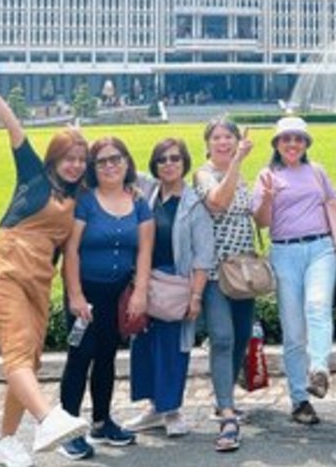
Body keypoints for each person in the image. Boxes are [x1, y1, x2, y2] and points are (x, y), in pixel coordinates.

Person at [0, 51, 90, 467]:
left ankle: (5, 441)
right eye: (68, 158)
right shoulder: (33, 175)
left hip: (38, 282)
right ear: (54, 159)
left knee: (27, 360)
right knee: (17, 352)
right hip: (2, 270)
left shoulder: (76, 197)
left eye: (80, 159)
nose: (74, 165)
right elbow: (12, 124)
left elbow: (118, 183)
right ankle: (47, 418)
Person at [57, 137, 150, 460]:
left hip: (117, 294)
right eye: (102, 161)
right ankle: (67, 429)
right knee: (80, 357)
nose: (110, 165)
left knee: (107, 357)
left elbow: (144, 252)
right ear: (94, 169)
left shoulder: (138, 202)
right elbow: (71, 249)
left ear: (126, 161)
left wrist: (140, 292)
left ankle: (101, 421)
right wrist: (76, 295)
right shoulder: (86, 201)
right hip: (85, 294)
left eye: (116, 158)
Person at [252, 116, 336, 425]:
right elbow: (262, 222)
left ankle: (318, 369)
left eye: (298, 139)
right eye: (286, 139)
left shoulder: (317, 172)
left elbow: (334, 205)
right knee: (292, 330)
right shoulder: (268, 175)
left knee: (317, 305)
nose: (292, 144)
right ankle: (299, 399)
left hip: (321, 248)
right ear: (276, 144)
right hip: (285, 250)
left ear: (306, 144)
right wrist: (267, 198)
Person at [125, 138, 215, 439]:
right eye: (162, 159)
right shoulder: (148, 193)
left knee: (173, 350)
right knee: (145, 347)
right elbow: (120, 166)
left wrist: (196, 296)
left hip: (176, 287)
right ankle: (154, 409)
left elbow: (204, 256)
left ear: (184, 162)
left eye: (175, 158)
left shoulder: (194, 204)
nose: (169, 164)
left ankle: (173, 409)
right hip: (145, 284)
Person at [193, 116, 257, 452]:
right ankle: (227, 415)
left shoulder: (242, 176)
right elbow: (217, 202)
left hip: (243, 271)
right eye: (216, 137)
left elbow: (255, 217)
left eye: (228, 137)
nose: (223, 142)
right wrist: (236, 163)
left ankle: (225, 397)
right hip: (216, 272)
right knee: (222, 337)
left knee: (241, 337)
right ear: (207, 144)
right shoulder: (204, 174)